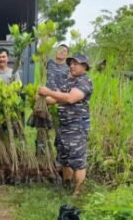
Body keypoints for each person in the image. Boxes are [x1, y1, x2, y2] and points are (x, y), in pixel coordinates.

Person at [38, 53, 93, 196]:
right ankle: (66, 185)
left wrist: (48, 91)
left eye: (76, 63)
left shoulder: (84, 81)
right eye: (71, 63)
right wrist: (40, 97)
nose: (72, 66)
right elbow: (54, 99)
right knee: (65, 158)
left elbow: (70, 98)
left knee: (77, 159)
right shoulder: (68, 82)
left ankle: (77, 193)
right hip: (64, 126)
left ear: (84, 66)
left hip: (77, 127)